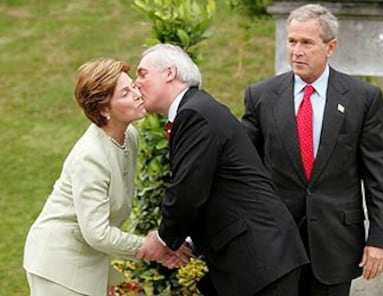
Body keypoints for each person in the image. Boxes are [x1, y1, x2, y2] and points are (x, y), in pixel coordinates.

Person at [241, 4, 383, 296]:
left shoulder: (363, 99)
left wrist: (379, 239)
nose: (297, 51)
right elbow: (244, 170)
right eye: (292, 41)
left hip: (336, 244)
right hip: (276, 244)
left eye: (307, 43)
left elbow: (380, 176)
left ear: (330, 47)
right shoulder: (260, 96)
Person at [133, 43, 309, 296]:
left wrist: (162, 239)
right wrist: (187, 241)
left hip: (260, 262)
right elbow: (212, 189)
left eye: (142, 73)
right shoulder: (196, 108)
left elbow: (188, 190)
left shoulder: (194, 114)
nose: (136, 83)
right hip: (255, 261)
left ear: (169, 72)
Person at [23, 58, 190, 296]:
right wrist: (149, 247)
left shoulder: (129, 136)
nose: (137, 94)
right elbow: (97, 233)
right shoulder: (90, 156)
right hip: (58, 265)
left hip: (89, 261)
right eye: (125, 93)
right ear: (103, 109)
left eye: (133, 86)